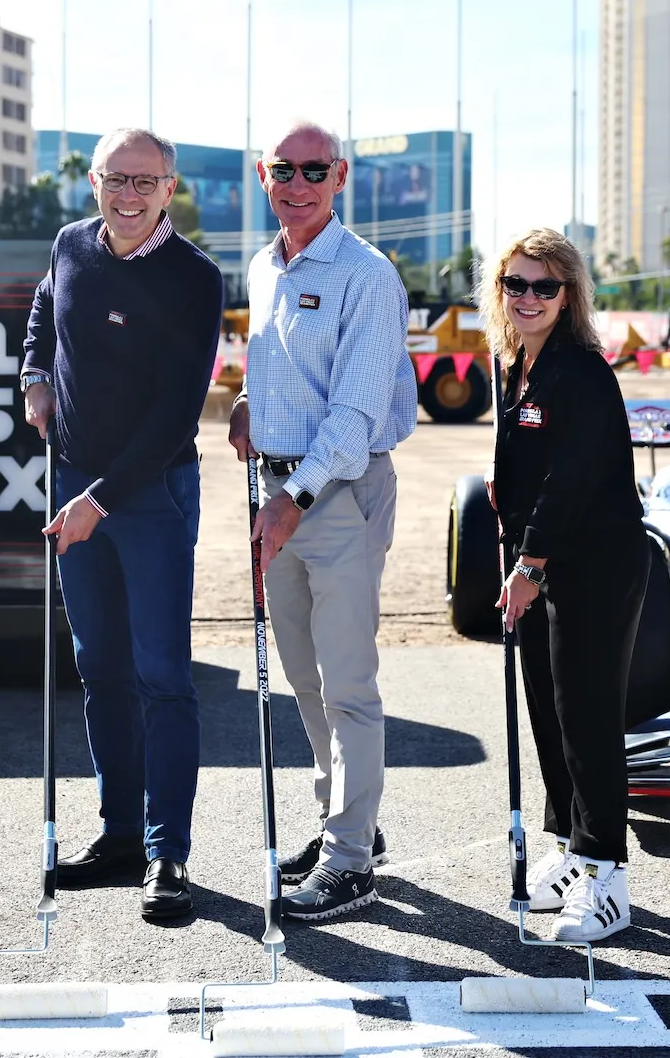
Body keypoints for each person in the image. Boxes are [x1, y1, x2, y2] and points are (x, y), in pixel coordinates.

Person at [21, 127, 224, 922]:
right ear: (95, 182)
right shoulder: (71, 244)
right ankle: (119, 837)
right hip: (75, 482)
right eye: (116, 179)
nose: (130, 196)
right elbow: (46, 300)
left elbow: (176, 415)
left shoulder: (193, 277)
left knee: (162, 677)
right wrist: (36, 375)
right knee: (99, 667)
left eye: (146, 182)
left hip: (150, 495)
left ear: (170, 188)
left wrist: (98, 500)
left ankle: (166, 852)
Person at [228, 121, 417, 922]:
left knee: (348, 686)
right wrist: (250, 406)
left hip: (332, 497)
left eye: (314, 169)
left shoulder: (366, 275)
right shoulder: (264, 265)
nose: (297, 182)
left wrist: (289, 496)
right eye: (283, 169)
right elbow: (286, 369)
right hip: (280, 492)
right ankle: (350, 826)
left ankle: (349, 863)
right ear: (264, 176)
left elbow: (356, 412)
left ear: (339, 175)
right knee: (302, 678)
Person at [487, 228, 648, 943]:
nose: (527, 298)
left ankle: (607, 872)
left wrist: (528, 565)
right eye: (515, 284)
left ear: (569, 294)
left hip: (593, 564)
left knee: (586, 722)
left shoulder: (581, 371)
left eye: (543, 287)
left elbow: (571, 482)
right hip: (545, 562)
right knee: (550, 715)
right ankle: (571, 846)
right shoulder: (517, 363)